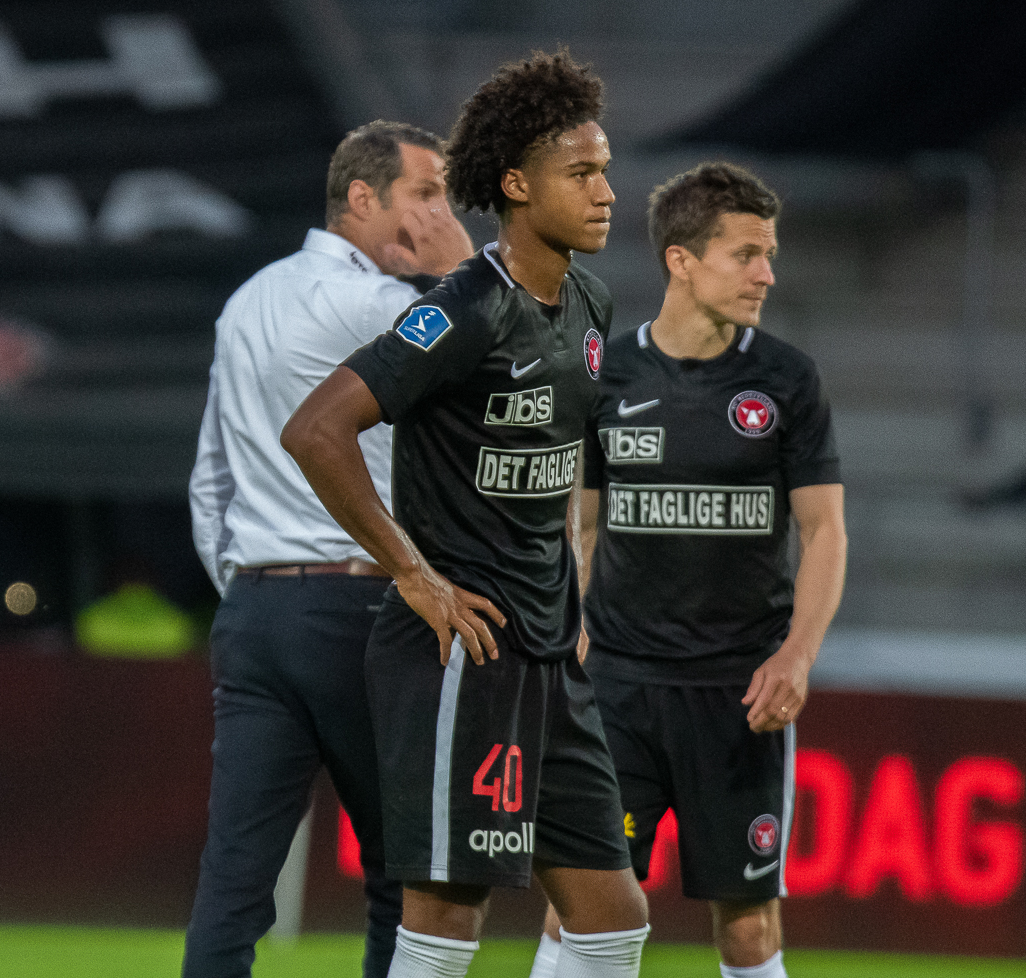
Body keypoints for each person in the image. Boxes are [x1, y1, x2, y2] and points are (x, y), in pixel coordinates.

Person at [282, 50, 650, 978]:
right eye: (582, 173)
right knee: (448, 915)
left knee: (612, 917)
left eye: (605, 169)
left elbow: (565, 464)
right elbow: (317, 430)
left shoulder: (591, 304)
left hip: (548, 655)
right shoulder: (463, 311)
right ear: (517, 184)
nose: (607, 192)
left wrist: (572, 588)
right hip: (462, 650)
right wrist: (413, 574)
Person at [531, 162, 847, 978]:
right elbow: (578, 523)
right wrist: (566, 631)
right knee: (582, 909)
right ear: (681, 259)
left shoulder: (786, 379)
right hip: (617, 689)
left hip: (739, 695)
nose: (766, 274)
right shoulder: (606, 375)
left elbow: (824, 530)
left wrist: (797, 656)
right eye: (745, 254)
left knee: (747, 929)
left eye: (769, 254)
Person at [184, 119, 475, 978]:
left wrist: (250, 586)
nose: (438, 214)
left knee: (233, 883)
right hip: (364, 607)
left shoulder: (247, 300)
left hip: (256, 611)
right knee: (402, 876)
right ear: (360, 197)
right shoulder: (382, 307)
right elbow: (505, 343)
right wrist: (463, 268)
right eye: (424, 193)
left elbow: (210, 480)